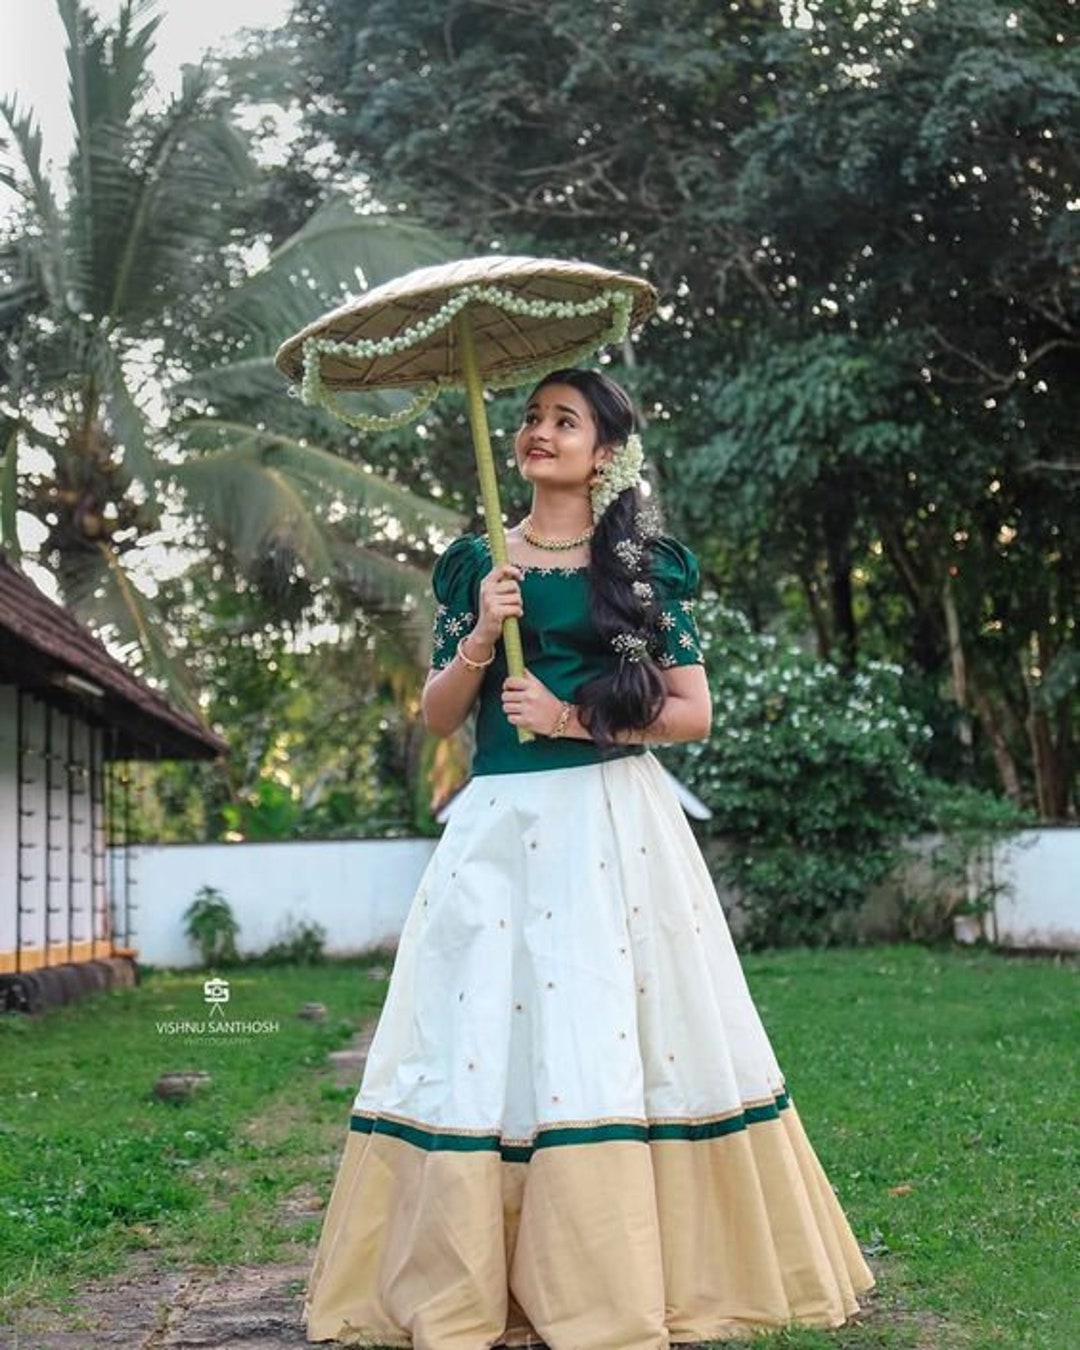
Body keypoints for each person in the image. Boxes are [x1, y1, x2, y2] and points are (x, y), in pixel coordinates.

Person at [304, 369, 875, 1349]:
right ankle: (470, 1276)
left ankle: (617, 1277)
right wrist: (484, 632)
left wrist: (570, 716)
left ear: (606, 450)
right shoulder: (473, 565)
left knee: (604, 1031)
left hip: (611, 829)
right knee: (482, 1036)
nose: (537, 432)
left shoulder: (645, 568)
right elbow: (440, 713)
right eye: (530, 418)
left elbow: (692, 712)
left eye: (562, 420)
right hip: (496, 832)